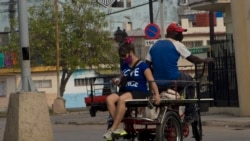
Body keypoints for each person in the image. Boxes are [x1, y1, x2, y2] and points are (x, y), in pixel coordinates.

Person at [145, 22, 214, 121]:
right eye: (179, 33)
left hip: (157, 82)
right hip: (174, 79)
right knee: (190, 81)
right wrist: (205, 60)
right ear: (172, 33)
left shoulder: (153, 45)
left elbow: (147, 65)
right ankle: (190, 112)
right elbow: (192, 59)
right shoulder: (177, 44)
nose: (181, 35)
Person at [103, 38, 161, 140]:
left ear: (130, 53)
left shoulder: (143, 66)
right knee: (109, 99)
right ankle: (119, 126)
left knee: (122, 99)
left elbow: (152, 81)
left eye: (125, 56)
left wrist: (156, 94)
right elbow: (120, 78)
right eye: (122, 57)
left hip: (139, 91)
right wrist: (117, 80)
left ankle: (112, 129)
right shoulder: (124, 66)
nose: (124, 59)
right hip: (126, 90)